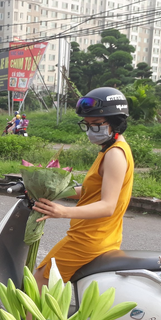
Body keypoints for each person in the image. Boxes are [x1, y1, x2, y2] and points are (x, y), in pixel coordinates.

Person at [32, 87, 133, 286]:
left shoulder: (115, 154)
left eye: (96, 124)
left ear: (115, 122)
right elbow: (90, 192)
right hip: (100, 237)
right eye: (87, 124)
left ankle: (30, 319)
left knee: (37, 284)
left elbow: (107, 206)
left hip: (87, 240)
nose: (90, 130)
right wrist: (52, 191)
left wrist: (63, 212)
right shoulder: (109, 150)